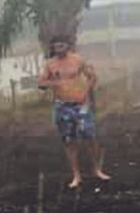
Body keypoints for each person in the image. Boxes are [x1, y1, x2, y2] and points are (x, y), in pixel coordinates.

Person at [38, 35, 109, 189]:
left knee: (89, 136)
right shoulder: (50, 64)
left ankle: (96, 169)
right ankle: (76, 175)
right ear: (53, 48)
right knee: (69, 140)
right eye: (56, 46)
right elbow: (41, 82)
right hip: (63, 106)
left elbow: (92, 77)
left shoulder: (77, 59)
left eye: (62, 45)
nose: (59, 49)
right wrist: (54, 82)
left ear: (67, 46)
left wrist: (86, 92)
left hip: (81, 104)